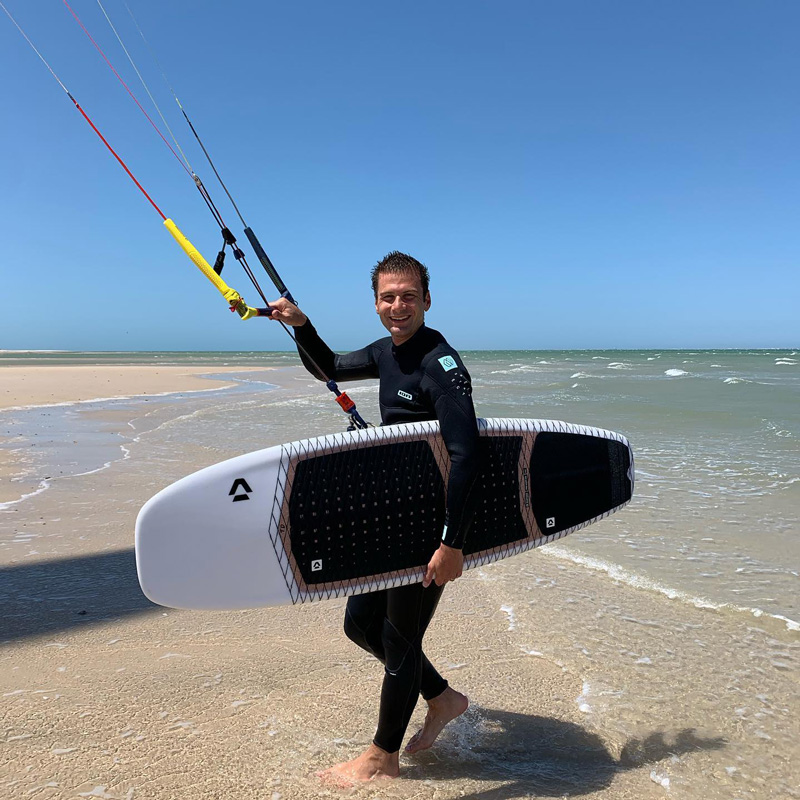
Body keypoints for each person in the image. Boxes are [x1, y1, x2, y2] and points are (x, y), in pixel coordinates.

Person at [267, 251, 480, 783]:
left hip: (432, 526)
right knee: (361, 624)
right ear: (376, 303)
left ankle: (382, 756)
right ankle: (442, 697)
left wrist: (452, 543)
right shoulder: (385, 352)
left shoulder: (441, 365)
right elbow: (329, 368)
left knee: (401, 636)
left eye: (408, 296)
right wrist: (302, 326)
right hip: (392, 515)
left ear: (427, 300)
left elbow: (467, 454)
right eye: (388, 296)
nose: (398, 305)